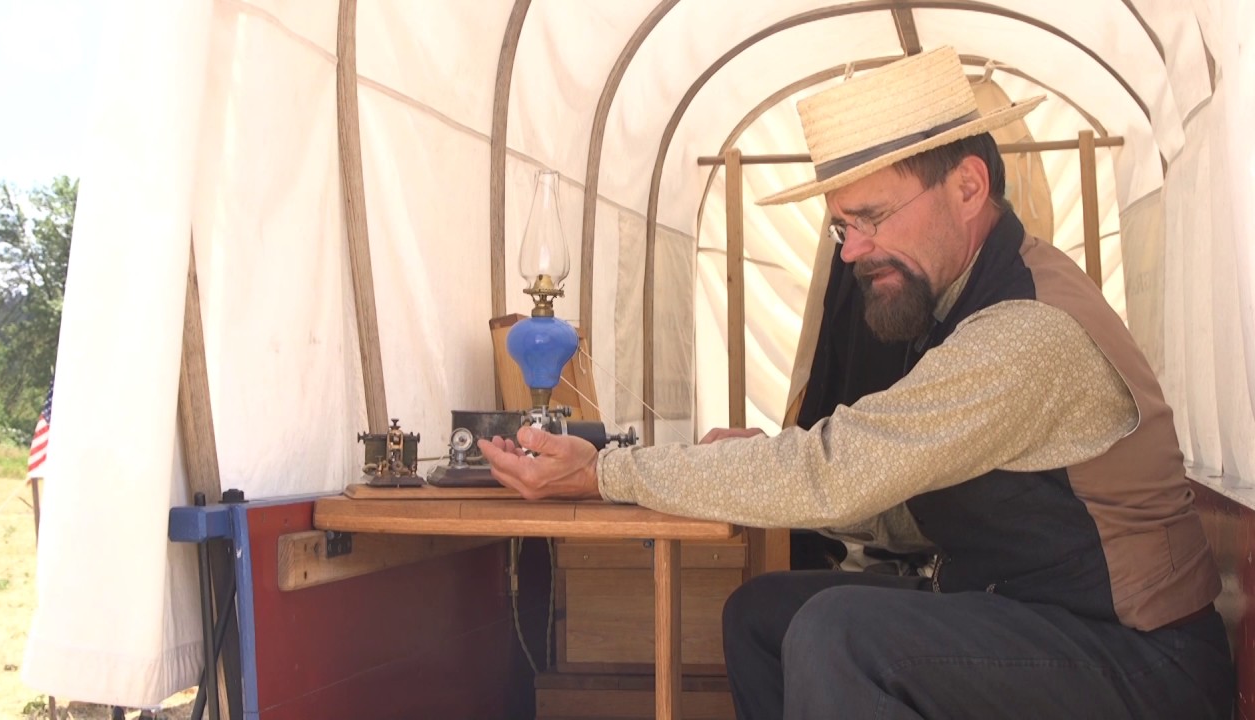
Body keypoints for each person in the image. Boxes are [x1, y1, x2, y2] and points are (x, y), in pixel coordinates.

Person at [479, 46, 1233, 719]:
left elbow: (833, 471)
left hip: (1141, 661)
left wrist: (607, 472)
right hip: (1030, 615)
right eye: (843, 227)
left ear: (968, 187)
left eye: (871, 218)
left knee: (838, 635)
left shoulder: (1025, 330)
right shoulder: (964, 302)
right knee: (762, 617)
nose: (850, 252)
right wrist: (745, 470)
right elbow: (910, 497)